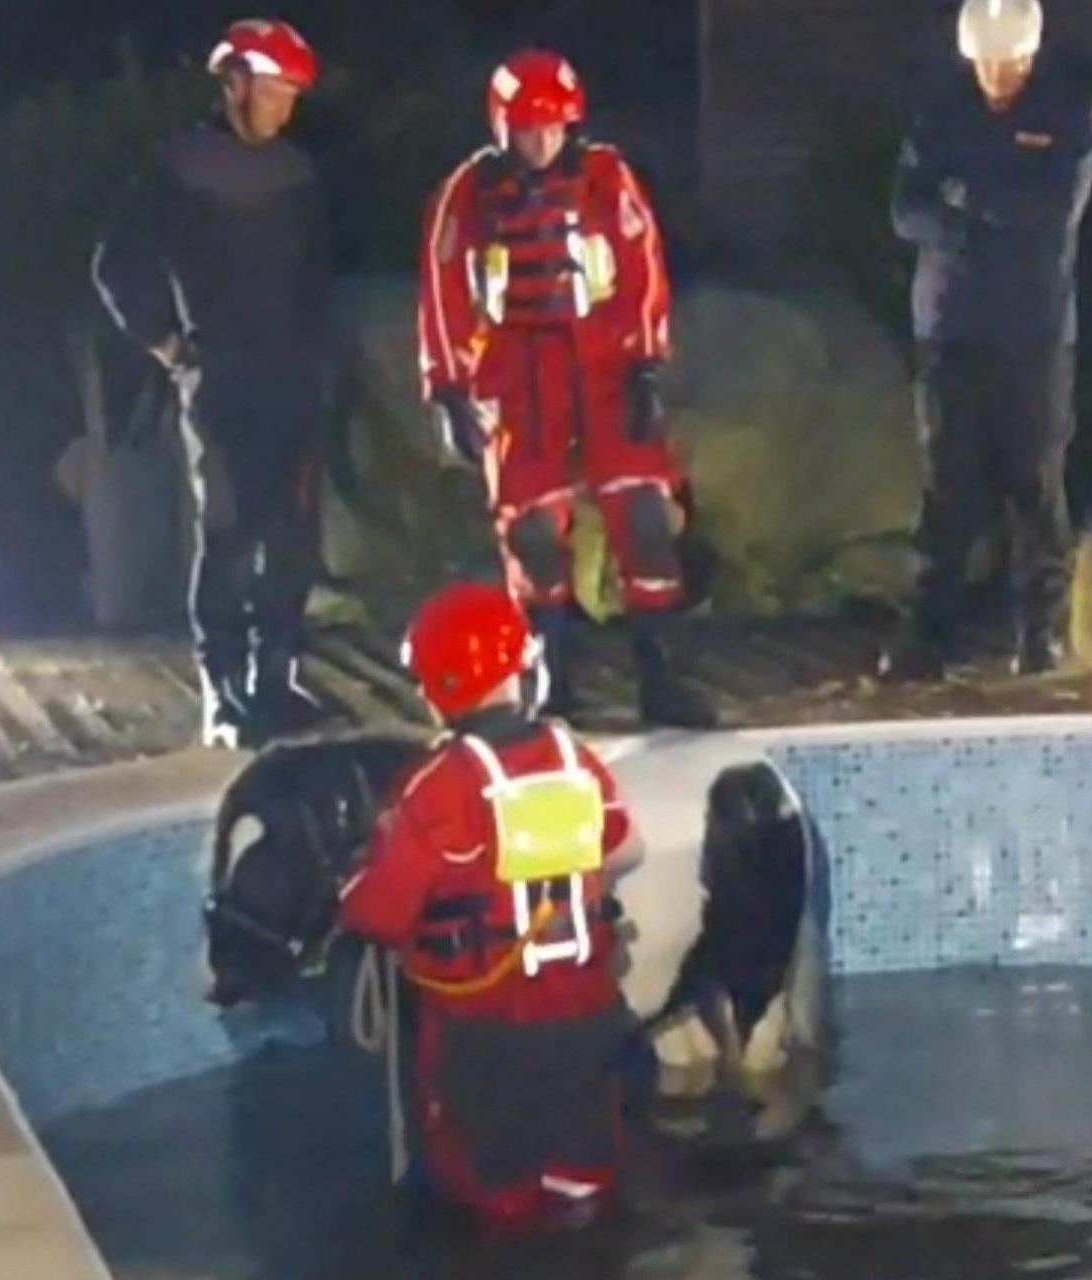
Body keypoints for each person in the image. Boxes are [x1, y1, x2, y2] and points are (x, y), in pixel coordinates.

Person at [419, 49, 717, 727]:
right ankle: (553, 684)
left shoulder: (606, 177)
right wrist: (447, 388)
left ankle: (661, 680)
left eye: (552, 128)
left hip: (605, 367)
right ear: (501, 127)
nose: (540, 143)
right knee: (531, 536)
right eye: (526, 129)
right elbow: (442, 296)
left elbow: (642, 264)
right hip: (516, 377)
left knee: (644, 521)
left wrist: (644, 363)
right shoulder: (467, 195)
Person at [339, 582, 645, 1233]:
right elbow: (627, 848)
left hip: (485, 1038)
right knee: (583, 1189)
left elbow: (378, 917)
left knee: (496, 1208)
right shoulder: (575, 760)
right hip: (588, 1024)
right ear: (519, 669)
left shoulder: (436, 787)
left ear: (438, 684)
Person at [92, 18, 334, 748]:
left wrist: (324, 365)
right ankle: (222, 689)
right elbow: (115, 262)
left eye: (292, 92)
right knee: (228, 528)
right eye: (272, 89)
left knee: (291, 530)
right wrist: (164, 341)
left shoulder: (298, 172)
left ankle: (278, 675)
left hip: (290, 375)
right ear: (234, 84)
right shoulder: (180, 166)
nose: (284, 105)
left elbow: (317, 278)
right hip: (218, 375)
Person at [881, 0, 1092, 681]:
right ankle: (928, 636)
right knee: (948, 487)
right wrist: (983, 206)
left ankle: (1041, 633)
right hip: (950, 327)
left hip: (1033, 333)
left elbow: (1050, 212)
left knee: (1034, 484)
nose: (995, 79)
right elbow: (908, 210)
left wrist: (967, 198)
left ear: (1029, 60)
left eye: (1007, 67)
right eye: (985, 66)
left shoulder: (1069, 116)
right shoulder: (940, 111)